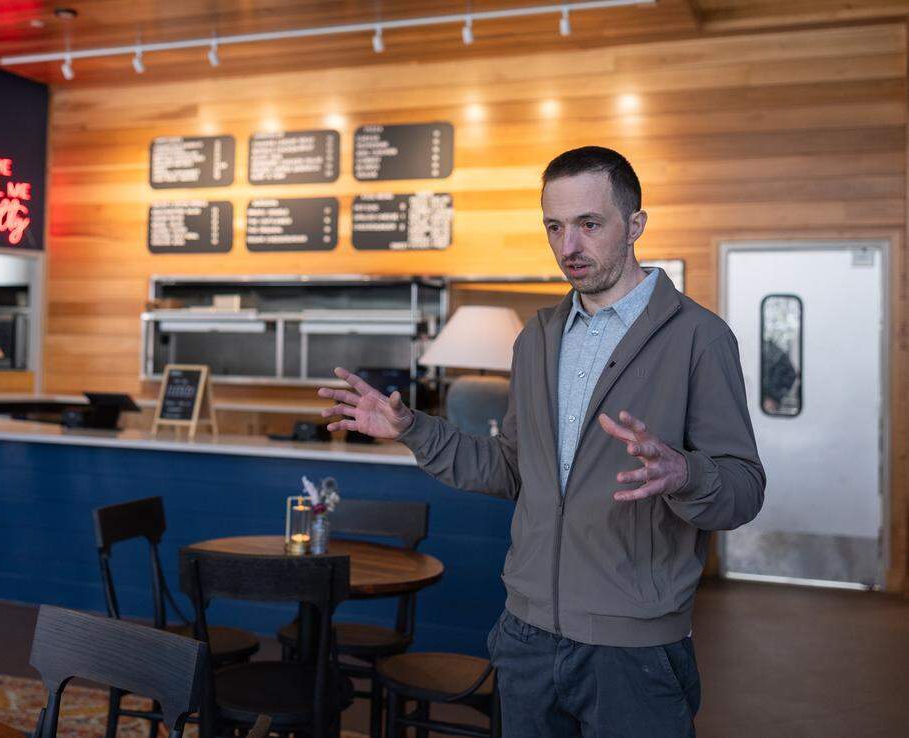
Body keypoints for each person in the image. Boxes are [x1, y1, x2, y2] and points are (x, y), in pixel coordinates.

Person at [319, 146, 765, 737]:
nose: (567, 248)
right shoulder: (537, 339)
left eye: (589, 224)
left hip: (632, 649)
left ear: (635, 225)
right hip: (527, 637)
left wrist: (686, 475)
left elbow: (744, 489)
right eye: (554, 226)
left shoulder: (699, 339)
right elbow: (511, 470)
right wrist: (412, 430)